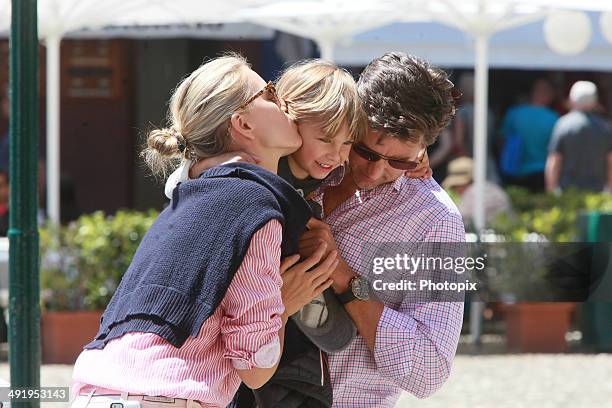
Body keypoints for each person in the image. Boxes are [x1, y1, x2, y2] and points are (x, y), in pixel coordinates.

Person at [71, 54, 337, 408]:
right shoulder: (254, 204)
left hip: (93, 388)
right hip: (165, 396)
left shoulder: (183, 203)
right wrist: (285, 304)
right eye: (270, 94)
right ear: (243, 123)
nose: (284, 104)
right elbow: (255, 368)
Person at [297, 52, 465, 407]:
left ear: (425, 150)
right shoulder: (307, 157)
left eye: (399, 161)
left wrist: (344, 279)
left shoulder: (435, 219)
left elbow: (429, 367)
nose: (373, 174)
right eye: (366, 152)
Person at [545, 81, 612, 193]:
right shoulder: (605, 128)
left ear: (572, 100)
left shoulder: (563, 125)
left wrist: (551, 190)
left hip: (567, 191)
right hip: (597, 192)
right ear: (595, 102)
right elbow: (610, 161)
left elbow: (554, 160)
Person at [499, 78, 559, 192]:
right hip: (542, 174)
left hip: (514, 172)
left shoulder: (513, 113)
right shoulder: (554, 118)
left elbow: (502, 141)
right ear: (550, 95)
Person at [442, 156, 511, 228]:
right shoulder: (490, 188)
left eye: (455, 186)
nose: (455, 190)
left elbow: (456, 220)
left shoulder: (475, 192)